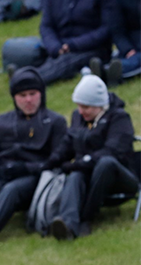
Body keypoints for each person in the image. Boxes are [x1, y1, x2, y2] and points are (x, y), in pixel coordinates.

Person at [0, 66, 67, 249]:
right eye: (22, 95)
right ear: (14, 97)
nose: (28, 100)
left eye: (33, 93)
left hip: (34, 178)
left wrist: (29, 168)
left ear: (41, 93)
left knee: (11, 190)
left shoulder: (55, 121)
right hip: (3, 172)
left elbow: (59, 158)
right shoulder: (1, 122)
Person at [42, 74, 137, 240]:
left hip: (120, 177)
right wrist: (49, 162)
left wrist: (80, 163)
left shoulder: (119, 118)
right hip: (88, 174)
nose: (81, 111)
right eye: (79, 106)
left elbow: (113, 152)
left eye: (86, 107)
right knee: (76, 175)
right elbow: (68, 144)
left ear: (99, 105)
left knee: (105, 164)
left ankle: (86, 218)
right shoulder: (78, 117)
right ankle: (68, 225)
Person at [34, 0, 116, 85]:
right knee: (37, 54)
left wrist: (73, 45)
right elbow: (46, 25)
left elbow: (106, 29)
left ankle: (30, 81)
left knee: (64, 63)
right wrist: (54, 46)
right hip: (60, 46)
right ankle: (25, 76)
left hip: (91, 48)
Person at [106, 0, 141, 86]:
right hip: (129, 46)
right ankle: (106, 71)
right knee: (122, 57)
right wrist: (127, 49)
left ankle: (107, 72)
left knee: (135, 61)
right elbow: (117, 29)